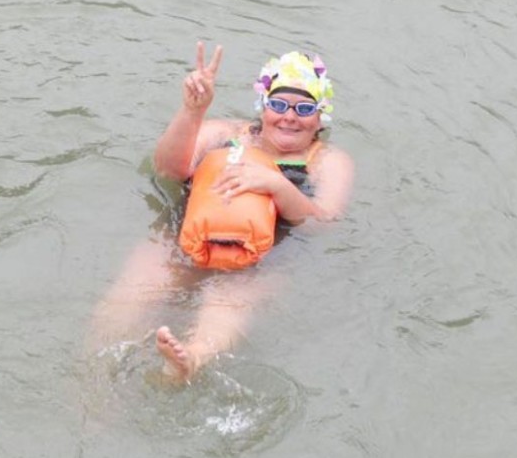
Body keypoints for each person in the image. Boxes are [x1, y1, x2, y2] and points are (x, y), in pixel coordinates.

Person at [91, 42, 354, 383]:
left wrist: (278, 186)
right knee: (121, 307)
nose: (289, 116)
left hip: (257, 262)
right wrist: (191, 111)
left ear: (321, 118)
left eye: (304, 109)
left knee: (225, 306)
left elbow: (325, 223)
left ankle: (189, 361)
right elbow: (168, 170)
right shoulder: (224, 134)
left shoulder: (327, 161)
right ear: (263, 106)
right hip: (179, 240)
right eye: (278, 104)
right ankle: (92, 381)